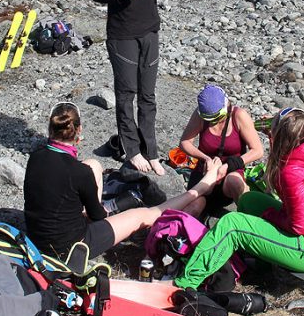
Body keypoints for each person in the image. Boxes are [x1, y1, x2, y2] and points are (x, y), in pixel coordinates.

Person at [89, 0, 213, 176]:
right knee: (126, 95)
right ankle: (132, 151)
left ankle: (151, 152)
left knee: (148, 96)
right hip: (121, 35)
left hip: (149, 31)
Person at [24, 102, 223, 260]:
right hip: (71, 248)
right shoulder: (79, 173)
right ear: (79, 131)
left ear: (50, 129)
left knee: (94, 164)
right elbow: (98, 217)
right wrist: (112, 208)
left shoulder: (36, 157)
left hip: (36, 240)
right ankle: (201, 187)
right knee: (145, 214)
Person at [174, 108, 304, 290]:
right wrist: (275, 132)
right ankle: (260, 262)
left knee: (232, 225)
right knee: (249, 200)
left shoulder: (291, 173)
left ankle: (186, 283)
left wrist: (270, 216)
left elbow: (299, 226)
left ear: (281, 136)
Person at [178, 84, 265, 217]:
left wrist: (229, 165)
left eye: (217, 118)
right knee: (193, 208)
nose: (213, 122)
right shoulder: (199, 115)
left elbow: (258, 150)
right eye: (210, 120)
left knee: (235, 181)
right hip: (205, 173)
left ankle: (248, 219)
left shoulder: (239, 116)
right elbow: (185, 142)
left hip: (230, 173)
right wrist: (206, 158)